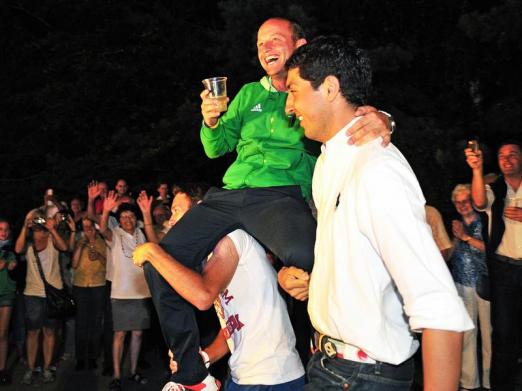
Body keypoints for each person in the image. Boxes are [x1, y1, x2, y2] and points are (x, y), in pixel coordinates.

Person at [144, 17, 393, 389]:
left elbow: (350, 115)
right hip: (230, 194)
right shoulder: (247, 94)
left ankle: (330, 357)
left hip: (279, 196)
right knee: (162, 261)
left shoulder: (313, 94)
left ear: (300, 44)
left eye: (275, 40)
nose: (266, 49)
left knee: (313, 260)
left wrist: (385, 118)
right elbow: (216, 147)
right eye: (260, 44)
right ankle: (192, 375)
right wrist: (211, 121)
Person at [281, 35, 473, 390]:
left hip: (364, 377)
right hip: (329, 366)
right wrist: (319, 283)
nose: (288, 107)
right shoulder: (327, 164)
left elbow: (439, 305)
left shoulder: (377, 169)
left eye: (293, 91)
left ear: (330, 88)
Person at [133, 188, 304, 391]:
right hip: (242, 375)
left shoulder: (231, 238)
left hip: (273, 376)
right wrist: (204, 357)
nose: (171, 220)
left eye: (177, 210)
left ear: (199, 211)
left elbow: (203, 296)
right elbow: (232, 327)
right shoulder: (207, 258)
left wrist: (153, 252)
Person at [465, 140, 522, 391]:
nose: (507, 159)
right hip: (504, 271)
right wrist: (477, 170)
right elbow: (478, 202)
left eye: (513, 154)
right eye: (501, 155)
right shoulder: (495, 190)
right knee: (503, 334)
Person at [99, 192, 151, 391]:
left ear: (135, 218)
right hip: (120, 293)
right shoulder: (115, 235)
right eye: (123, 217)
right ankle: (117, 375)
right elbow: (103, 228)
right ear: (119, 221)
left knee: (137, 334)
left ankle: (134, 371)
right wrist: (105, 210)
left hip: (141, 292)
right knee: (119, 334)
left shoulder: (141, 233)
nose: (127, 220)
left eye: (130, 216)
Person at [15, 209, 69, 385]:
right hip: (32, 294)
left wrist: (52, 229)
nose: (37, 222)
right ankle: (31, 369)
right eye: (34, 220)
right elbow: (17, 249)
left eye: (40, 219)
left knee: (50, 332)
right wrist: (24, 226)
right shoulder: (28, 242)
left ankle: (47, 368)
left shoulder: (53, 238)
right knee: (32, 332)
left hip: (53, 293)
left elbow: (65, 247)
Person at [449, 184, 491, 390]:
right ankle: (469, 383)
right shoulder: (457, 225)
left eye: (466, 201)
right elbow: (452, 254)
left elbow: (489, 251)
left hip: (483, 285)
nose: (462, 205)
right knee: (467, 334)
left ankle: (490, 381)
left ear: (473, 202)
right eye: (458, 202)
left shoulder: (484, 221)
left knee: (488, 335)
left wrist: (466, 238)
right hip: (461, 284)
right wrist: (456, 238)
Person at [71, 217, 107, 371]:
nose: (87, 229)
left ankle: (92, 357)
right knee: (81, 324)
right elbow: (73, 264)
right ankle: (80, 357)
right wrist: (82, 244)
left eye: (89, 226)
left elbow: (109, 264)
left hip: (98, 285)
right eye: (84, 227)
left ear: (94, 227)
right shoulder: (79, 241)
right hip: (80, 286)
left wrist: (98, 255)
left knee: (96, 323)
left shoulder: (103, 241)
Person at [0, 218, 17, 385]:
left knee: (3, 334)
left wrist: (11, 265)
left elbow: (14, 268)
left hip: (6, 295)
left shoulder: (10, 251)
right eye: (0, 229)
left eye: (6, 229)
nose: (3, 232)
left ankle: (2, 369)